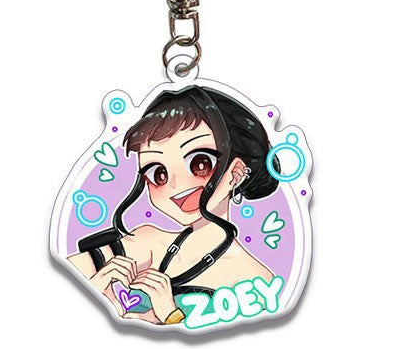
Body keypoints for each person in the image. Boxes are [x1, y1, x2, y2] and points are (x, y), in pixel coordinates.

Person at [69, 85, 279, 324]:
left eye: (200, 164)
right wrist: (93, 293)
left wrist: (170, 315)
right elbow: (64, 279)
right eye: (158, 174)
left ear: (237, 172)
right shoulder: (147, 241)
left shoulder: (257, 281)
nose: (176, 185)